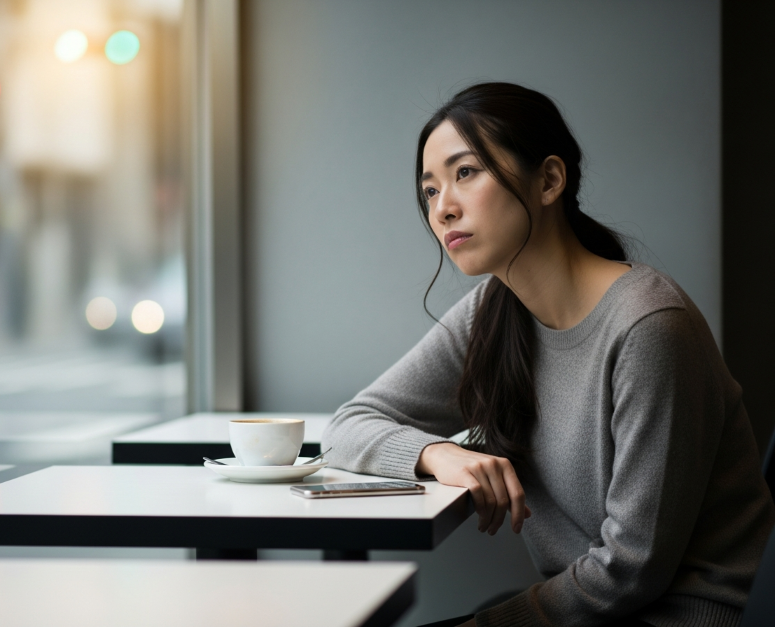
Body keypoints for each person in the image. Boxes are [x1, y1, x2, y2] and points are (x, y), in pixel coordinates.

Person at [321, 82, 775, 627]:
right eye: (429, 190)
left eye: (466, 173)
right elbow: (349, 425)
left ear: (550, 180)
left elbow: (632, 569)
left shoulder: (649, 326)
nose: (443, 208)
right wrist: (439, 453)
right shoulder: (495, 310)